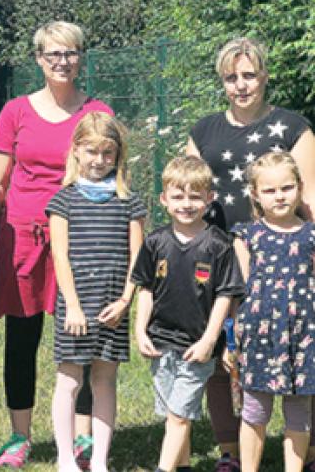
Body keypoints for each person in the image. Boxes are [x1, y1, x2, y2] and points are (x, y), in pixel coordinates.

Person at [0, 21, 112, 468]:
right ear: (39, 59)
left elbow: (111, 176)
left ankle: (81, 438)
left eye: (71, 53)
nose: (62, 61)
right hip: (23, 240)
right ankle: (19, 437)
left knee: (80, 338)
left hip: (82, 239)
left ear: (81, 58)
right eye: (53, 54)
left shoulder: (98, 112)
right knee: (21, 339)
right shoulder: (15, 111)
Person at [187, 38, 315, 471]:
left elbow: (309, 200)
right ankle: (230, 451)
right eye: (231, 77)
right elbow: (188, 192)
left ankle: (306, 451)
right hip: (220, 259)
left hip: (285, 261)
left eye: (249, 75)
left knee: (301, 355)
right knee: (224, 358)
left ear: (264, 75)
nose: (241, 85)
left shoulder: (294, 127)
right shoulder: (202, 132)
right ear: (222, 81)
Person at [45, 113, 145, 472]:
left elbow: (139, 255)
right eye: (92, 151)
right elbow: (59, 254)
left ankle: (100, 459)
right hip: (76, 305)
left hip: (112, 306)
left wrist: (125, 301)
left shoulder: (129, 201)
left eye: (108, 153)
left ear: (118, 156)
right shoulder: (63, 200)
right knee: (70, 379)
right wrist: (71, 304)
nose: (100, 160)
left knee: (105, 380)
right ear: (76, 151)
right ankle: (66, 457)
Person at [131, 156, 243, 472]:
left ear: (210, 199)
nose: (187, 204)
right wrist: (140, 331)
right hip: (160, 343)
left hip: (197, 348)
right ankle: (181, 466)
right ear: (164, 200)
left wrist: (210, 340)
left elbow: (225, 295)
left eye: (195, 196)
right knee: (174, 415)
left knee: (180, 416)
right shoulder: (155, 242)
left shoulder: (219, 245)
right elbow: (146, 289)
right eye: (178, 196)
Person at [228, 152, 315, 472]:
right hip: (258, 337)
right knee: (254, 410)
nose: (279, 196)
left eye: (287, 188)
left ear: (300, 188)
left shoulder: (311, 235)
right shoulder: (246, 236)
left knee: (299, 412)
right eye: (270, 190)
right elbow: (236, 294)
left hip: (305, 337)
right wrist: (230, 340)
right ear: (255, 194)